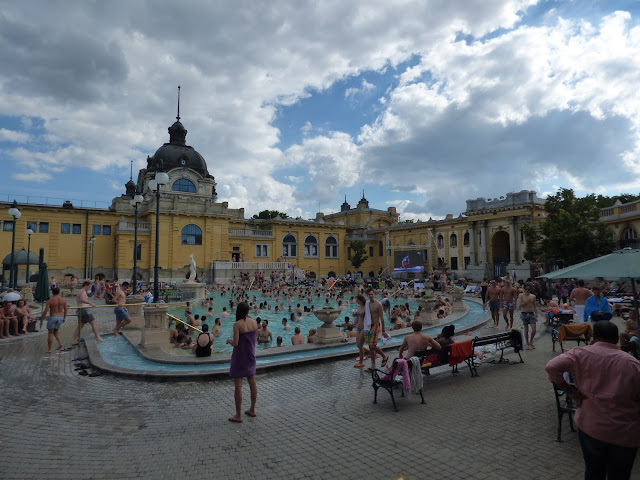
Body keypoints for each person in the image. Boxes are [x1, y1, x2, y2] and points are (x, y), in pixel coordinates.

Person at [546, 321, 640, 479]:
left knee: (593, 471)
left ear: (594, 337)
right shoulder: (632, 364)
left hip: (591, 426)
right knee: (620, 474)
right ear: (617, 338)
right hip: (624, 431)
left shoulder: (579, 354)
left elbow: (551, 367)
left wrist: (571, 392)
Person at [226, 302, 259, 423]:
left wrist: (228, 340)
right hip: (250, 355)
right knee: (252, 383)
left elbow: (235, 343)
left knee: (238, 385)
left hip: (240, 357)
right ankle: (252, 410)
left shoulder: (237, 324)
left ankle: (238, 415)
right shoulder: (254, 322)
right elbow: (255, 339)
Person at [362, 288, 389, 370]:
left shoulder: (378, 304)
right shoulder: (367, 304)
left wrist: (383, 330)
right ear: (367, 295)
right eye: (369, 294)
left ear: (374, 294)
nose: (371, 296)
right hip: (368, 326)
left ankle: (384, 355)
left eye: (372, 294)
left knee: (372, 345)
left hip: (375, 325)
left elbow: (382, 318)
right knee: (370, 347)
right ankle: (373, 365)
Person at [72, 281, 103, 345]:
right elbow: (82, 299)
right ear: (86, 285)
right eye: (89, 287)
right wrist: (90, 303)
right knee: (93, 323)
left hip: (81, 309)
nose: (90, 288)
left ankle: (74, 340)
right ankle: (97, 337)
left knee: (80, 326)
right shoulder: (82, 291)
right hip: (84, 310)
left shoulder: (82, 291)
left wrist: (88, 304)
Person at [40, 287, 68, 353]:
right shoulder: (63, 300)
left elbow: (46, 311)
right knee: (56, 331)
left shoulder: (50, 301)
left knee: (50, 333)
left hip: (53, 316)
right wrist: (64, 318)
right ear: (59, 292)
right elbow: (66, 309)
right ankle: (60, 343)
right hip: (60, 316)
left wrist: (42, 319)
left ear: (52, 292)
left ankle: (49, 349)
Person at [517, 283, 538, 349]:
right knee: (526, 330)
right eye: (526, 289)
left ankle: (531, 341)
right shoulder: (521, 296)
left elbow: (535, 306)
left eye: (529, 289)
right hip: (524, 313)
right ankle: (527, 343)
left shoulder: (533, 296)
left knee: (534, 329)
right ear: (524, 289)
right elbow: (520, 305)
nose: (527, 290)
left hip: (531, 313)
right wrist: (527, 301)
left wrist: (536, 315)